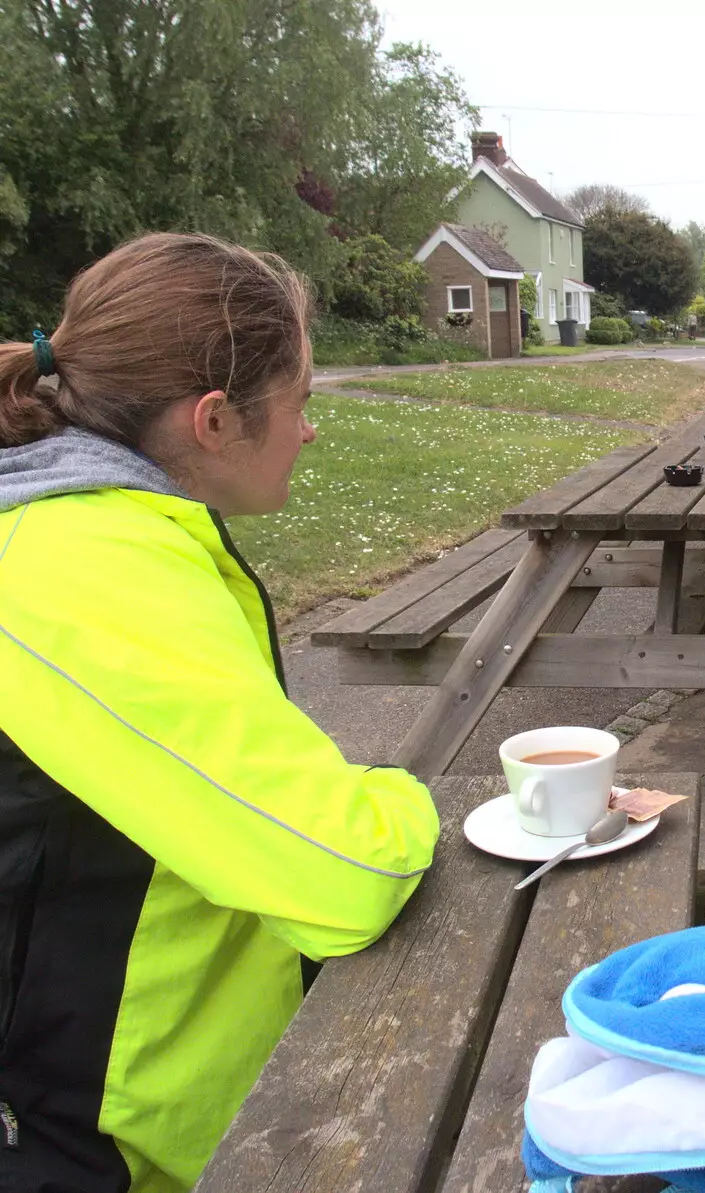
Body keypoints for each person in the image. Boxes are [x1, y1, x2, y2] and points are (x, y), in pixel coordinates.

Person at [0, 233, 442, 1193]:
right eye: (301, 406)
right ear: (212, 420)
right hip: (105, 1141)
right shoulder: (80, 572)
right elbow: (349, 870)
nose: (311, 432)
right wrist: (403, 793)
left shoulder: (96, 530)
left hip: (176, 1096)